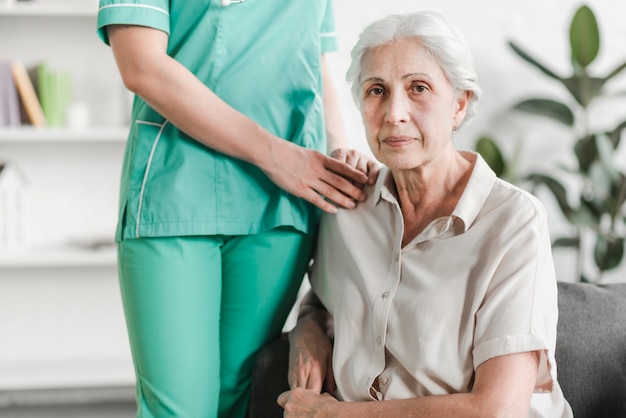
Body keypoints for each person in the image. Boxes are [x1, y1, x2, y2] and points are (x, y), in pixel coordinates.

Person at [279, 10, 573, 417]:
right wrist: (306, 333)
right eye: (376, 90)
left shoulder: (514, 222)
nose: (394, 112)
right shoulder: (348, 208)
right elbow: (327, 297)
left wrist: (333, 415)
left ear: (459, 104)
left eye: (418, 88)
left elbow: (498, 409)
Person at [95, 1, 379, 417]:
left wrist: (340, 153)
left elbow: (316, 64)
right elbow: (141, 65)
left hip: (281, 205)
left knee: (239, 399)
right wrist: (275, 156)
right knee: (178, 408)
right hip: (178, 192)